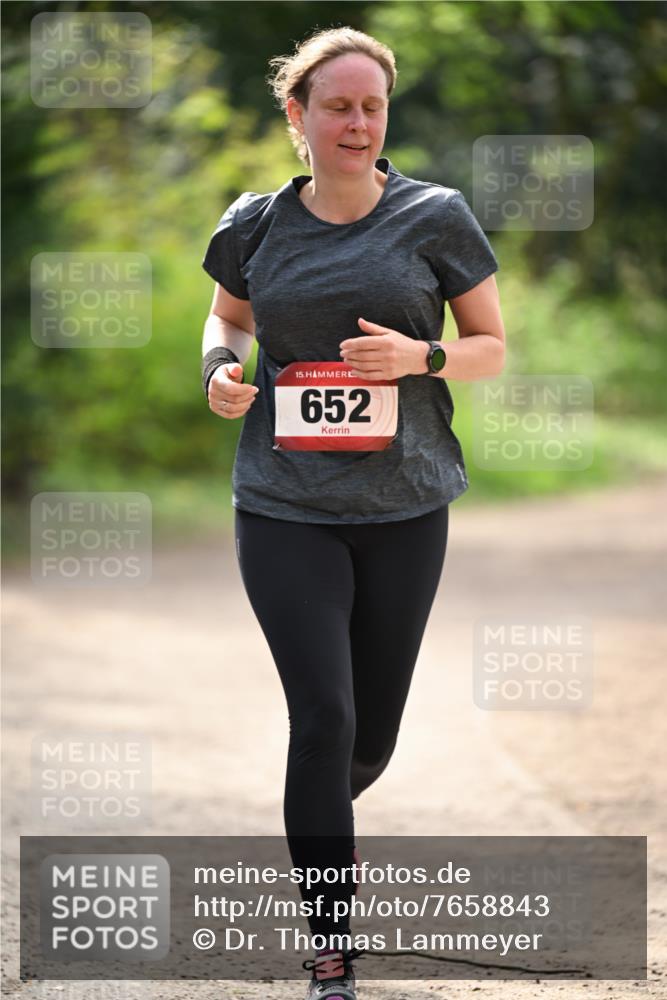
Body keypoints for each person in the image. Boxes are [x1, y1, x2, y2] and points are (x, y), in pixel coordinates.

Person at [201, 26, 505, 1000]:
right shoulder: (254, 223)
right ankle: (332, 953)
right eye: (337, 105)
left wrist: (420, 359)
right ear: (297, 115)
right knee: (323, 717)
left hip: (405, 503)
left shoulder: (435, 215)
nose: (357, 122)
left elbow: (491, 345)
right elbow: (228, 314)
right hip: (284, 503)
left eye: (371, 105)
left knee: (369, 738)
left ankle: (313, 823)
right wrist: (218, 367)